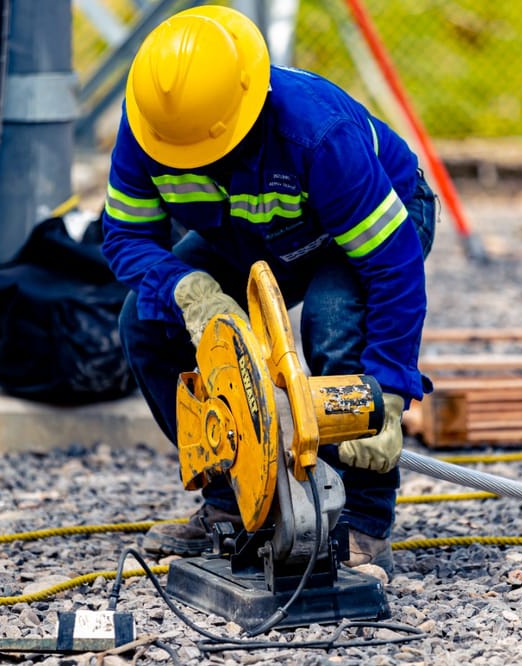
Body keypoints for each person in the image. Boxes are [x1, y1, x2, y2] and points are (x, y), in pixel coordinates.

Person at [101, 4, 436, 577]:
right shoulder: (151, 129)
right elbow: (126, 236)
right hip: (248, 237)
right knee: (146, 322)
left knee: (333, 325)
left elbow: (392, 265)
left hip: (361, 230)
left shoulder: (315, 134)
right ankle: (233, 504)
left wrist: (386, 388)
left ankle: (362, 520)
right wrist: (189, 291)